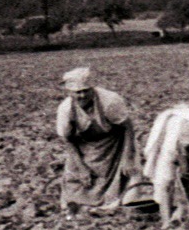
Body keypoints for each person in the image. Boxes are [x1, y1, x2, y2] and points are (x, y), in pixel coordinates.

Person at [55, 67, 152, 214]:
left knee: (128, 173)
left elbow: (127, 127)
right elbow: (68, 140)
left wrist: (128, 156)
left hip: (115, 143)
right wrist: (81, 168)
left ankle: (117, 206)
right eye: (77, 92)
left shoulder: (109, 101)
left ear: (92, 88)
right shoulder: (66, 109)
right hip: (84, 146)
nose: (82, 95)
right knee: (76, 180)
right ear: (69, 93)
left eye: (86, 90)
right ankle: (82, 208)